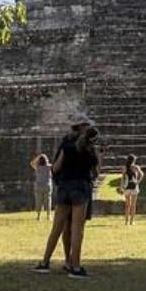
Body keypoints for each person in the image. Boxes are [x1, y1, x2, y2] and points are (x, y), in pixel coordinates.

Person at [35, 112, 99, 279]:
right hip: (80, 187)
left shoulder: (66, 146)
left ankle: (44, 263)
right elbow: (96, 172)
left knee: (57, 227)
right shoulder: (89, 148)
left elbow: (55, 168)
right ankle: (75, 267)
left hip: (64, 187)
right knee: (77, 229)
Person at [30, 154, 53, 222]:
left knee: (38, 201)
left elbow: (31, 163)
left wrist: (38, 157)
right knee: (48, 201)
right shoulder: (49, 167)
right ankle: (48, 216)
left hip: (38, 186)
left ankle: (38, 216)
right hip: (47, 186)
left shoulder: (37, 167)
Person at [122, 154, 144, 225]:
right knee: (133, 205)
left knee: (127, 204)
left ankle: (126, 221)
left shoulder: (125, 167)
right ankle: (132, 221)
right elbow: (142, 175)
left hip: (127, 187)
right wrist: (138, 182)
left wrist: (121, 186)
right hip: (134, 186)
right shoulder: (136, 167)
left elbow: (122, 178)